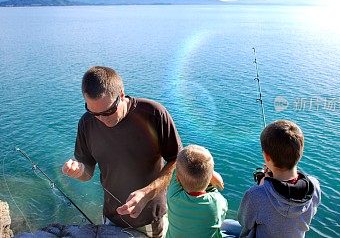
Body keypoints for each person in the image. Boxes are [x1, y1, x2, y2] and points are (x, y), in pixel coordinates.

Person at [62, 66, 182, 237]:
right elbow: (87, 172)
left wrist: (147, 193)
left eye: (109, 111)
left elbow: (176, 160)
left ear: (122, 94)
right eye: (93, 112)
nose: (102, 119)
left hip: (150, 219)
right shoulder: (87, 123)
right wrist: (79, 171)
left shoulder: (154, 114)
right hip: (111, 217)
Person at [236, 120, 321, 237]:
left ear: (266, 156)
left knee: (226, 225)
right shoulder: (314, 185)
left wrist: (262, 186)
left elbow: (244, 222)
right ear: (300, 153)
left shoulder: (255, 195)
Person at [166, 144, 228, 238]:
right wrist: (210, 174)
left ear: (178, 179)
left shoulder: (172, 195)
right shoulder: (217, 202)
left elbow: (177, 169)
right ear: (209, 178)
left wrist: (210, 174)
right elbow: (219, 188)